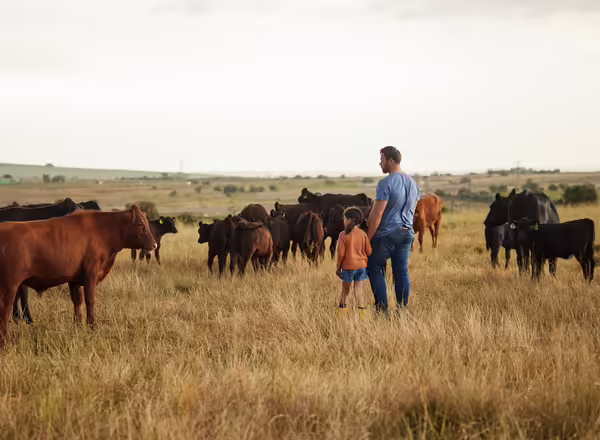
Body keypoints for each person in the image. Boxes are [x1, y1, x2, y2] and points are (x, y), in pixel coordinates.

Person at [366, 146, 420, 314]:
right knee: (401, 270)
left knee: (374, 266)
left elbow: (377, 213)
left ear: (390, 161)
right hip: (407, 233)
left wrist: (367, 239)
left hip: (387, 234)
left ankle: (382, 311)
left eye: (381, 159)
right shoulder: (413, 183)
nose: (379, 163)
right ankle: (402, 311)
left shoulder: (385, 183)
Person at [336, 207, 372, 317]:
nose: (343, 220)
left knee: (345, 291)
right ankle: (362, 316)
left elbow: (341, 254)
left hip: (348, 268)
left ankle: (341, 316)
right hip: (361, 267)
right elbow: (369, 252)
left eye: (344, 218)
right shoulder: (363, 234)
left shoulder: (343, 235)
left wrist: (338, 268)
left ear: (349, 220)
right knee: (359, 290)